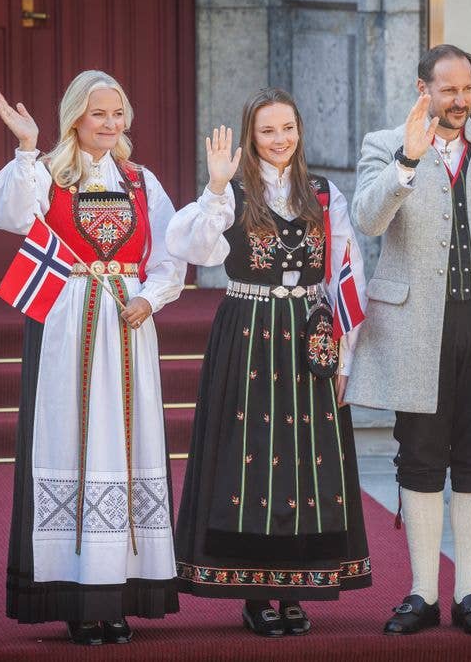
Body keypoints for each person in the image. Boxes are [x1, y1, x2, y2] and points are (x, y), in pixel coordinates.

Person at [345, 45, 471, 637]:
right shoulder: (385, 145)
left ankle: (470, 594)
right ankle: (422, 593)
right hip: (414, 330)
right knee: (421, 456)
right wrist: (408, 160)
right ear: (423, 89)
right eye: (449, 89)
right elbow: (367, 220)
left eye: (468, 89)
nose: (461, 100)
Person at [0, 70, 185, 646]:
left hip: (128, 323)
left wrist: (150, 297)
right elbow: (5, 213)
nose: (110, 124)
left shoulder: (140, 180)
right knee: (71, 439)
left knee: (126, 442)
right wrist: (26, 147)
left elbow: (171, 251)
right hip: (67, 321)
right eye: (99, 113)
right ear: (76, 118)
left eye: (118, 114)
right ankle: (77, 595)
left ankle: (117, 594)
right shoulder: (49, 173)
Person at [167, 88, 372, 638]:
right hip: (250, 334)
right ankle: (257, 592)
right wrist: (215, 186)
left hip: (309, 334)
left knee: (307, 460)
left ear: (299, 129)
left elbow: (346, 272)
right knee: (252, 458)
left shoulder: (323, 194)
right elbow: (191, 246)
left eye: (288, 128)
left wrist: (345, 358)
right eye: (267, 130)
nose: (280, 139)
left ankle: (297, 588)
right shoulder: (232, 193)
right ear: (250, 136)